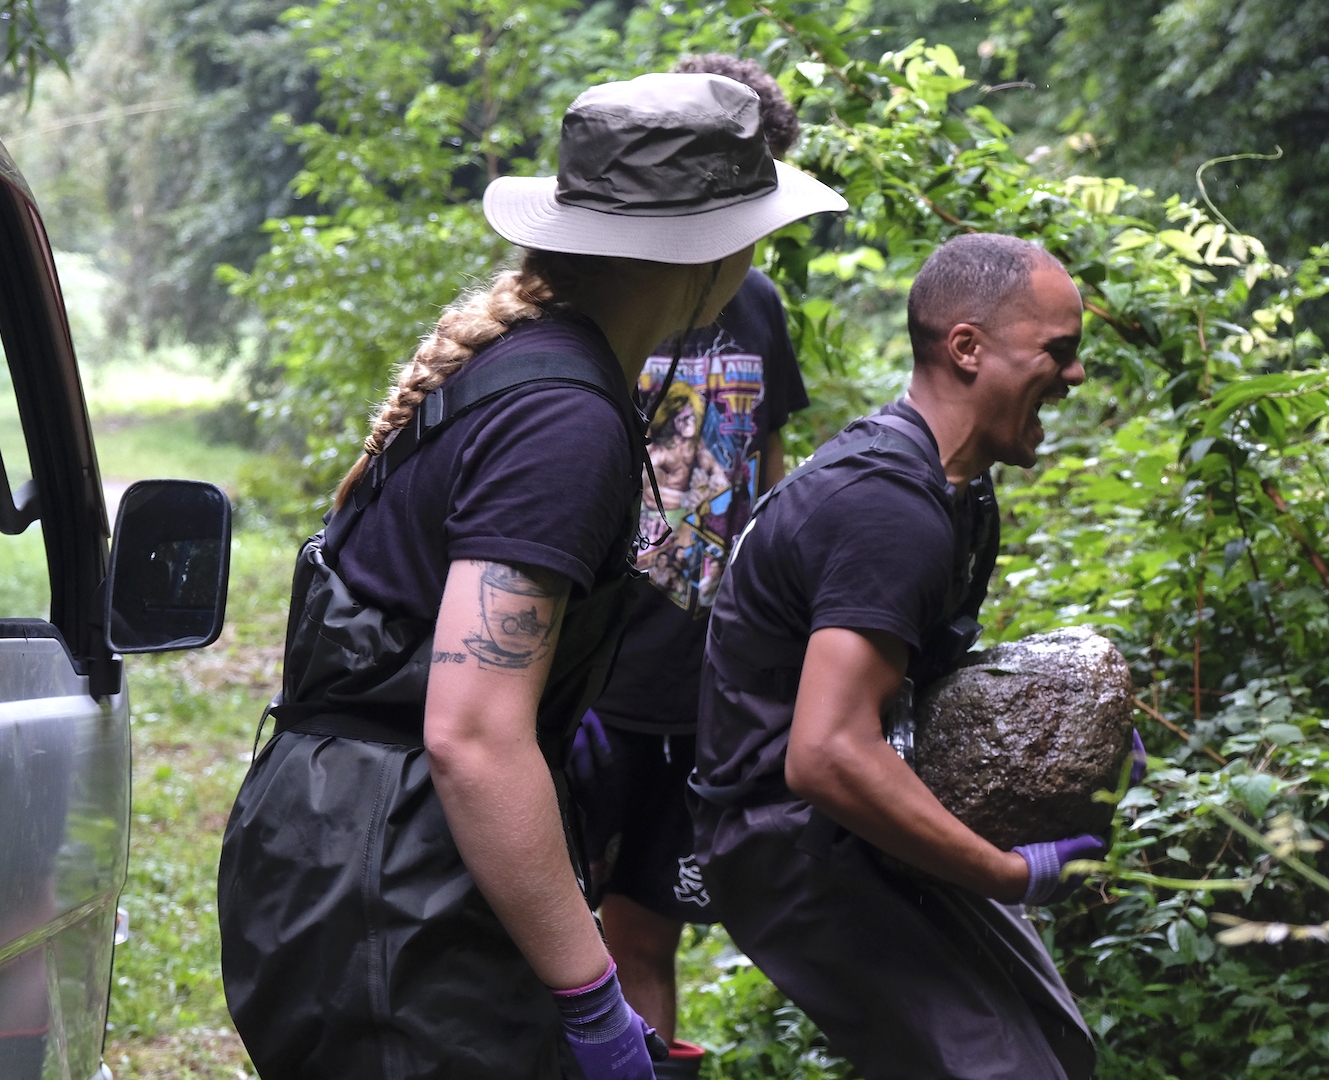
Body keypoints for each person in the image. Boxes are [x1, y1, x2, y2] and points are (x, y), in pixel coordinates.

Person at [216, 72, 843, 1080]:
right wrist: (595, 999)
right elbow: (471, 736)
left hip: (363, 857)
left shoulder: (539, 366)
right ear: (712, 251)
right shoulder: (565, 423)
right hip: (392, 888)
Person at [690, 233, 1112, 1079]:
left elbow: (908, 686)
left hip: (859, 819)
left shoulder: (959, 493)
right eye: (1058, 352)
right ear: (967, 348)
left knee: (1058, 1049)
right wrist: (1001, 871)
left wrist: (1070, 734)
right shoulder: (889, 510)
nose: (1074, 376)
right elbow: (825, 753)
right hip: (790, 844)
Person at [562, 54, 810, 1071]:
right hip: (590, 682)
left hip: (702, 683)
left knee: (646, 934)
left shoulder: (757, 312)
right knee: (557, 926)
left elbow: (770, 480)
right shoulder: (590, 309)